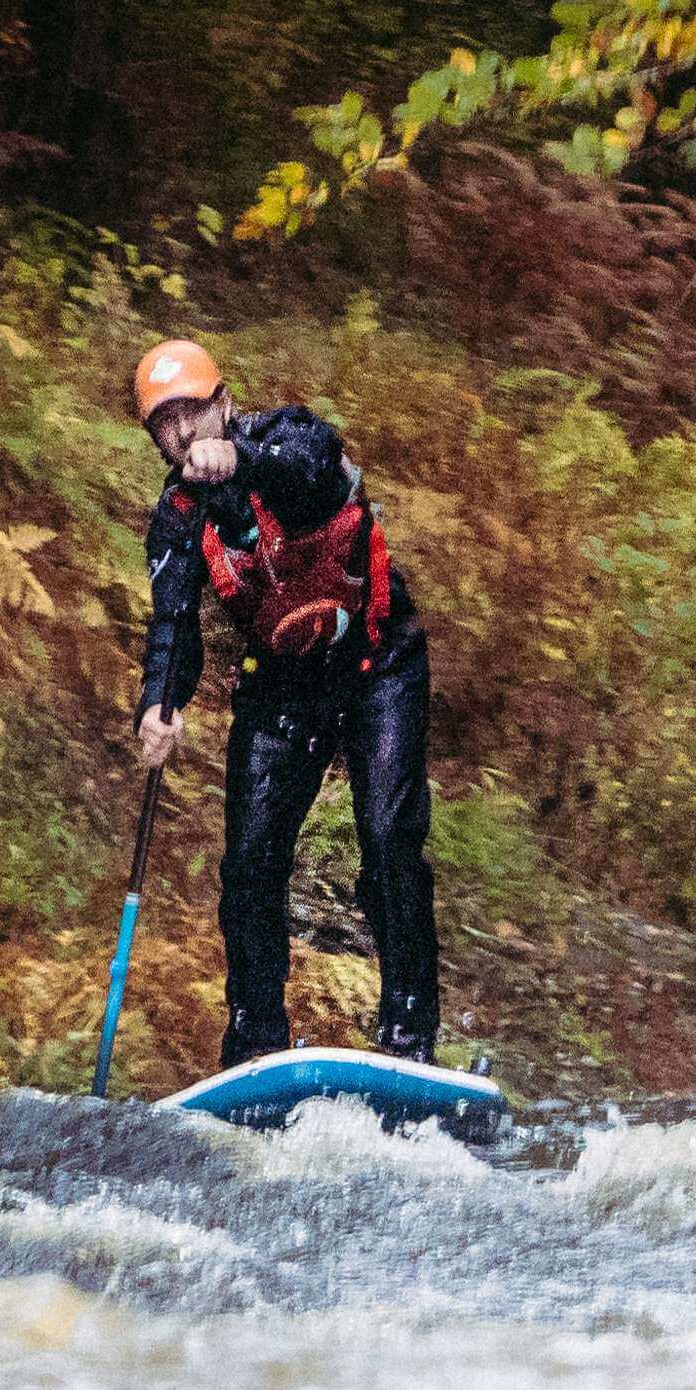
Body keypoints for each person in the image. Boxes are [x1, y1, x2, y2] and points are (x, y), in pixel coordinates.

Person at [126, 338, 442, 1067]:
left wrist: (239, 461)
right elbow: (173, 621)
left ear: (225, 405)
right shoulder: (177, 518)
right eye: (162, 424)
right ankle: (254, 1040)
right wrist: (159, 703)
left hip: (378, 664)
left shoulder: (283, 439)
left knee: (390, 839)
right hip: (282, 688)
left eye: (191, 413)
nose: (180, 434)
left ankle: (409, 1031)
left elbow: (314, 465)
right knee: (248, 865)